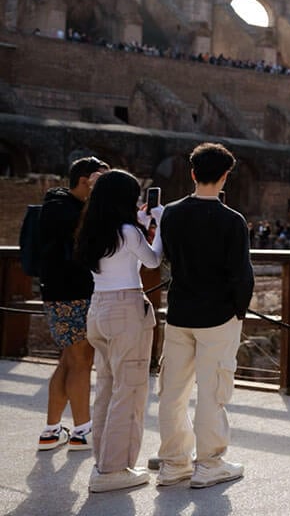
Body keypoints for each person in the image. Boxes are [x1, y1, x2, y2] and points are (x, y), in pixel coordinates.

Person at [156, 143, 254, 489]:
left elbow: (167, 259)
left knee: (172, 391)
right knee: (212, 392)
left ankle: (172, 463)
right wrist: (239, 312)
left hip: (180, 311)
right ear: (225, 176)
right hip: (218, 316)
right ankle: (209, 464)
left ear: (193, 173)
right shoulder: (232, 221)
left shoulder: (170, 213)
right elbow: (242, 274)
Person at [74, 170, 164, 492]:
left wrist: (140, 224)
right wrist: (160, 224)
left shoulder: (93, 230)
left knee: (107, 390)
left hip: (98, 309)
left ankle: (103, 464)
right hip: (126, 309)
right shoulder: (128, 231)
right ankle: (114, 470)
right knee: (131, 389)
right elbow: (153, 262)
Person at [35, 155, 109, 453]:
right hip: (72, 294)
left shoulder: (64, 205)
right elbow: (79, 231)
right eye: (99, 181)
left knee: (67, 361)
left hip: (63, 293)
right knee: (81, 362)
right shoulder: (61, 206)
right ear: (85, 180)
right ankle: (82, 432)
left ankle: (51, 431)